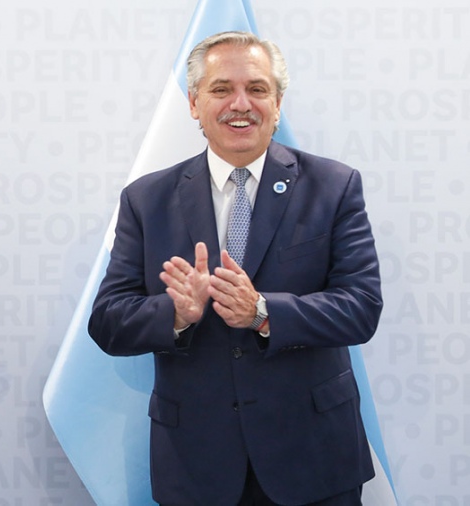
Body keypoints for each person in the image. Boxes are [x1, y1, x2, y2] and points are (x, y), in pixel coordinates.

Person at [88, 31, 382, 505]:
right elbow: (107, 322)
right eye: (221, 89)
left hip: (313, 459)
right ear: (194, 103)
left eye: (257, 89)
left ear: (277, 103)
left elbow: (361, 308)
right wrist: (176, 314)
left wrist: (263, 312)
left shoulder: (334, 186)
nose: (240, 104)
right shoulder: (146, 200)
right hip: (197, 466)